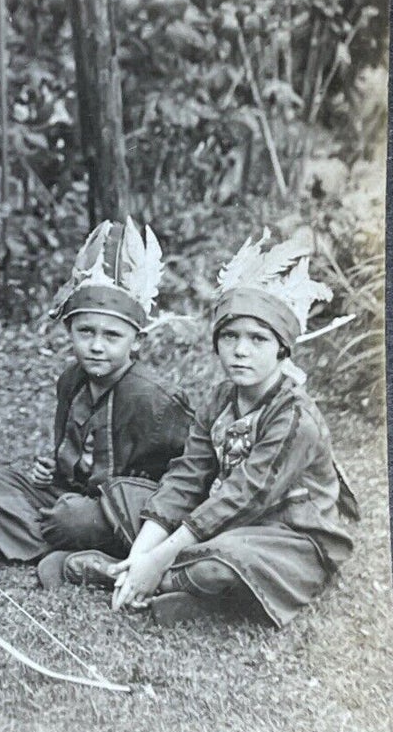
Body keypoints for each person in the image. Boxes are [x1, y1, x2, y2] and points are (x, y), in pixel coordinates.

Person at [44, 228, 359, 629]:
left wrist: (158, 559)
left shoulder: (294, 417)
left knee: (223, 561)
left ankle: (135, 578)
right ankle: (149, 576)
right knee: (131, 509)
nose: (241, 351)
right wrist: (146, 551)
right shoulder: (218, 398)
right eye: (230, 336)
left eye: (258, 339)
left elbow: (245, 496)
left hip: (285, 534)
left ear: (283, 348)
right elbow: (188, 477)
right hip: (218, 520)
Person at [0, 219, 191, 565]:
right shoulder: (72, 380)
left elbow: (183, 478)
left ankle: (27, 538)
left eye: (112, 336)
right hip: (72, 496)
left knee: (72, 517)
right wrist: (54, 470)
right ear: (69, 331)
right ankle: (63, 551)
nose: (97, 346)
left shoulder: (153, 398)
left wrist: (122, 507)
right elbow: (69, 454)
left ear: (137, 340)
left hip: (123, 510)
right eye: (85, 332)